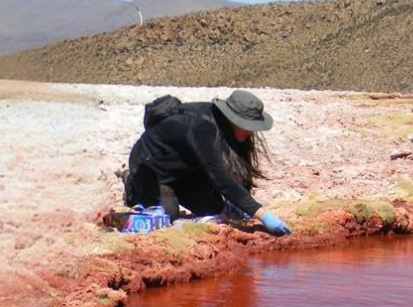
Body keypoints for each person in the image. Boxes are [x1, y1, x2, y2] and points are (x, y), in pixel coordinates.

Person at [124, 90, 292, 236]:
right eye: (248, 126)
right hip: (151, 169)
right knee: (167, 217)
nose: (251, 131)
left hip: (186, 170)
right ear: (233, 120)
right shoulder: (202, 127)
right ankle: (132, 186)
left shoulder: (223, 124)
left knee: (213, 209)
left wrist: (244, 204)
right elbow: (221, 179)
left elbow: (238, 169)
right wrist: (262, 215)